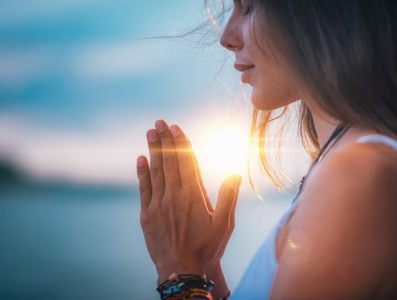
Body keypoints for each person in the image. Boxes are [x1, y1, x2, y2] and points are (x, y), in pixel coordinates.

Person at [136, 0, 397, 299]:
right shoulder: (350, 166)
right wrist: (206, 270)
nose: (226, 37)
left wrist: (179, 274)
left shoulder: (359, 175)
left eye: (247, 8)